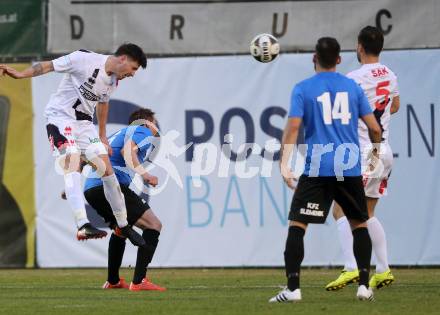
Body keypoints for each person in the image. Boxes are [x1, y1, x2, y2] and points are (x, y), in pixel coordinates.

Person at [269, 37, 382, 303]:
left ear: (313, 58)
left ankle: (293, 289)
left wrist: (284, 164)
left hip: (319, 166)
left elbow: (293, 128)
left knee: (298, 225)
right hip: (349, 166)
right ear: (339, 59)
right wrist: (374, 156)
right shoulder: (353, 87)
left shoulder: (303, 88)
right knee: (359, 224)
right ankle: (364, 286)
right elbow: (374, 128)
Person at [0, 44, 147, 246]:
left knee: (107, 171)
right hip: (60, 119)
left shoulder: (113, 80)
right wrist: (21, 75)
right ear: (123, 59)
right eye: (133, 68)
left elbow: (103, 103)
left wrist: (103, 136)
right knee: (72, 162)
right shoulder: (83, 59)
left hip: (85, 126)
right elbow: (48, 66)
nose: (132, 74)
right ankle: (82, 224)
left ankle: (123, 225)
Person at [325, 26, 400, 291]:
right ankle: (383, 269)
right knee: (367, 213)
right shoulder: (390, 74)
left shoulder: (354, 77)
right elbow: (395, 105)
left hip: (364, 152)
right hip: (384, 151)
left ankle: (351, 267)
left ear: (359, 47)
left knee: (340, 209)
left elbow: (340, 113)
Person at [84, 108, 165, 291]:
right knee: (153, 225)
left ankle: (113, 281)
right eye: (154, 124)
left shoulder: (115, 135)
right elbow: (127, 152)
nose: (156, 130)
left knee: (121, 229)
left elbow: (88, 156)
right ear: (145, 122)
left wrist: (70, 187)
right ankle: (139, 281)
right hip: (109, 186)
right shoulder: (141, 130)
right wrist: (145, 175)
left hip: (92, 189)